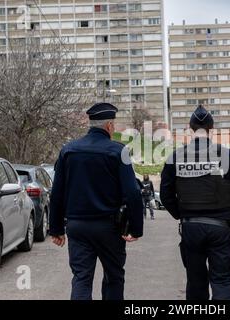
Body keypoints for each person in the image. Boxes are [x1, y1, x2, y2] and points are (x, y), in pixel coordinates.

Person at [49, 102, 144, 300]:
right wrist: (136, 228)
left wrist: (56, 228)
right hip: (109, 227)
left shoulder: (68, 151)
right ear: (109, 126)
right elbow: (132, 193)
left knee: (81, 278)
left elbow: (57, 191)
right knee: (114, 277)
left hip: (77, 227)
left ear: (90, 124)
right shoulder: (119, 151)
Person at [160, 105, 230, 300]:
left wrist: (181, 214)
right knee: (222, 281)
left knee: (195, 282)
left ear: (190, 128)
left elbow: (166, 194)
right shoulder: (228, 156)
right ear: (211, 128)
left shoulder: (175, 157)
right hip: (221, 228)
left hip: (191, 228)